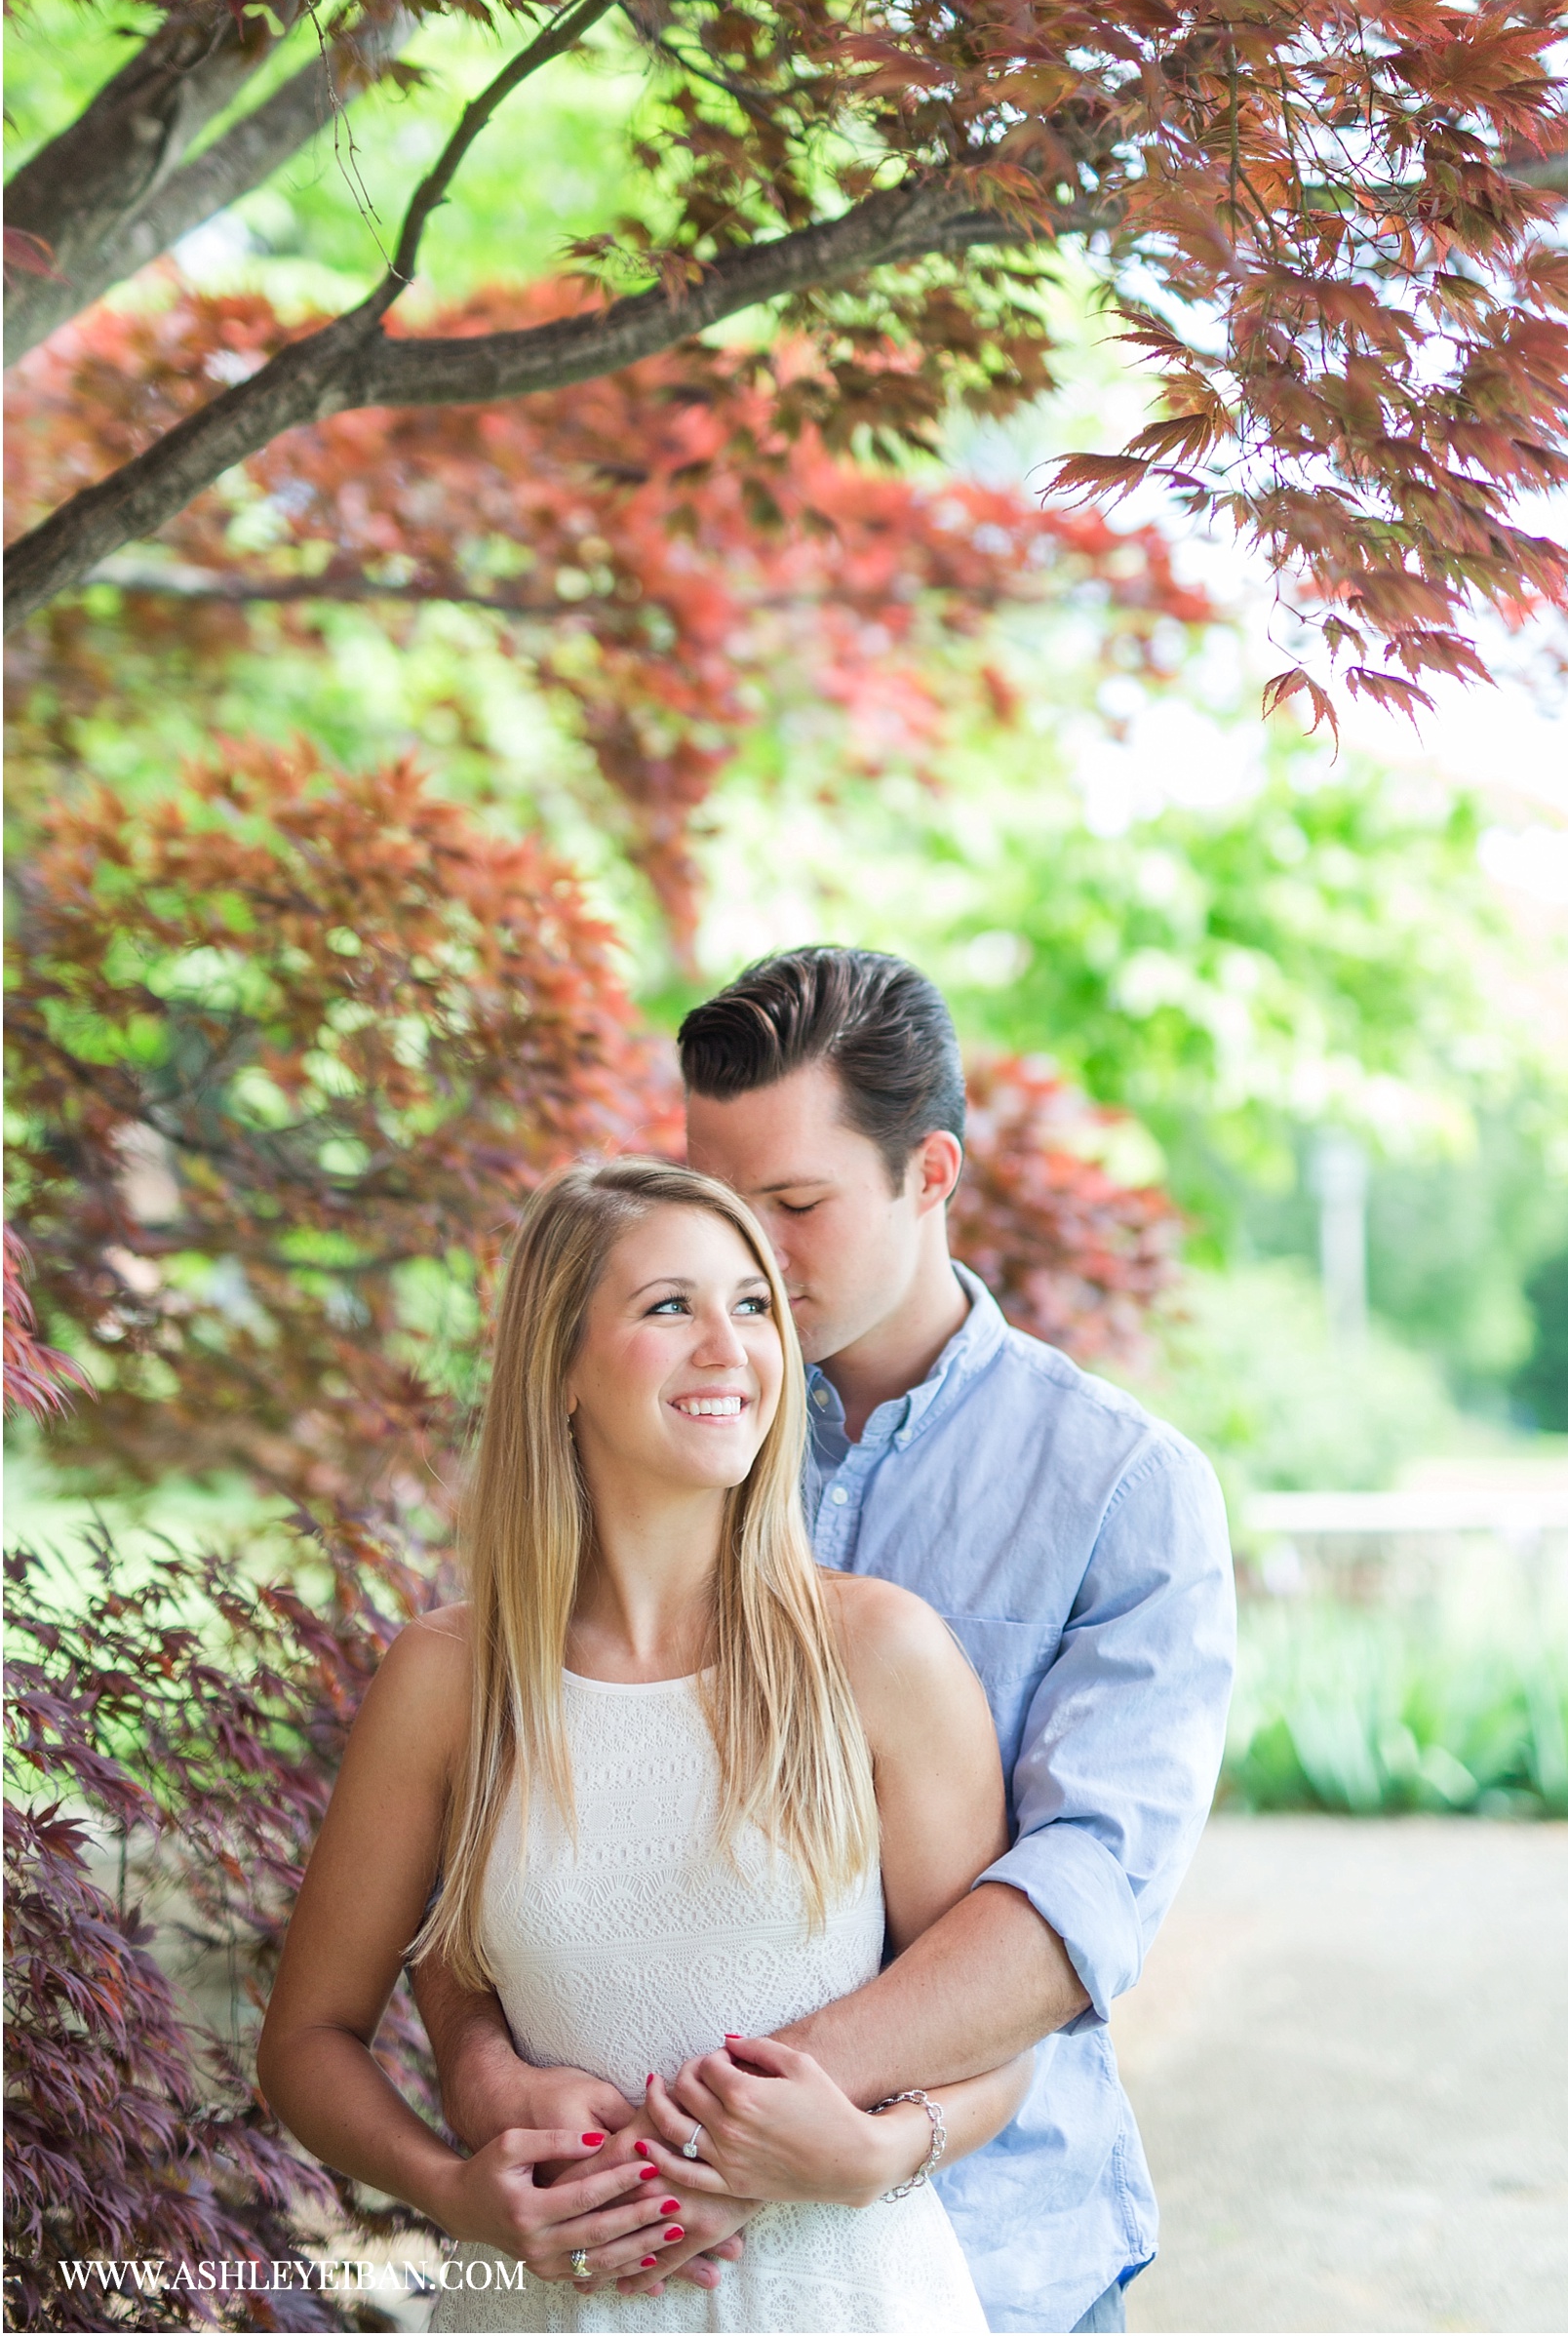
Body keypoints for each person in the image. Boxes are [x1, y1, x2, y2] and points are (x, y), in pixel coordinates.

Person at [415, 950, 1238, 2335]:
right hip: (621, 2278)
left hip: (1002, 2258)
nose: (749, 1256)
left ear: (930, 1172)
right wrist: (479, 2063)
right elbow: (496, 1831)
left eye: (793, 1204)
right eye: (721, 1203)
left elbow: (1075, 1904)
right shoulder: (642, 1416)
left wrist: (729, 2138)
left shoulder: (1118, 1490)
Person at [258, 1156, 1033, 2332]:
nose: (729, 1344)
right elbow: (307, 2041)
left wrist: (877, 2151)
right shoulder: (450, 1679)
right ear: (561, 1367)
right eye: (671, 1305)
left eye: (754, 1302)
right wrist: (454, 2193)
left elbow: (1000, 2037)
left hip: (845, 2297)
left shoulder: (882, 1653)